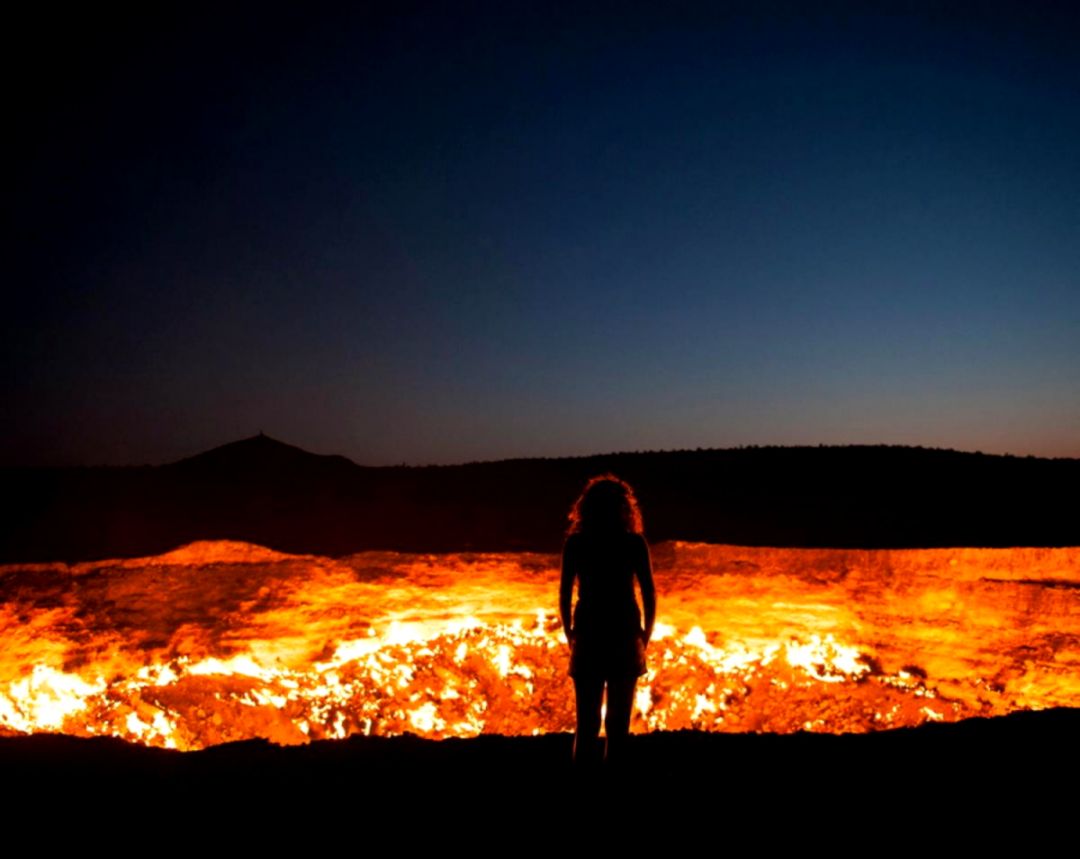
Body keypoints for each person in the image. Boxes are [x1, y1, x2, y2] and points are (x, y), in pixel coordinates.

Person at [559, 474, 656, 769]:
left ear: (586, 508)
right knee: (618, 725)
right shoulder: (633, 543)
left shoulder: (576, 543)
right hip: (624, 633)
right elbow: (649, 594)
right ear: (624, 508)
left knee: (586, 723)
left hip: (589, 631)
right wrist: (645, 635)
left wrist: (569, 633)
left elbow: (564, 594)